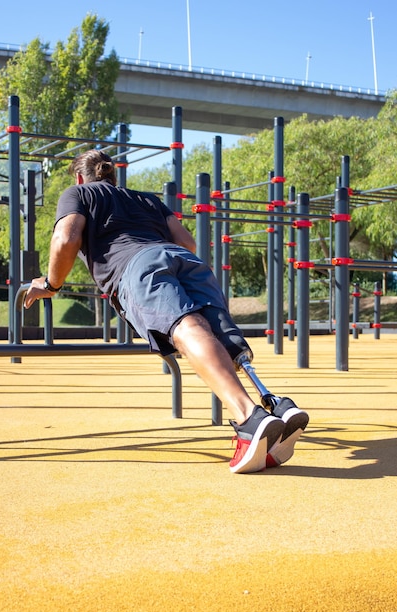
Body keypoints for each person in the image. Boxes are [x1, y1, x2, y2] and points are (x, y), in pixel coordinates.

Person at [25, 149, 309, 474]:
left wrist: (52, 283)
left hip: (136, 266)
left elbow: (66, 238)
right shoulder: (146, 199)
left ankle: (249, 417)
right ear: (114, 177)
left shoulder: (78, 193)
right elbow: (188, 242)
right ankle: (273, 407)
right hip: (184, 259)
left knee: (186, 328)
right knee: (217, 332)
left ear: (80, 177)